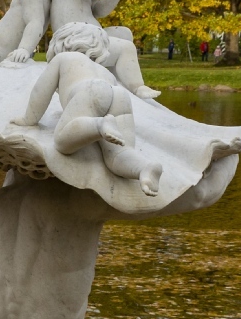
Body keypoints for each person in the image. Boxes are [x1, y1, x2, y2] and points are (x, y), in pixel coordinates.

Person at [12, 23, 163, 196]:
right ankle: (143, 168)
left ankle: (99, 125)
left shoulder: (63, 59)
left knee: (62, 142)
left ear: (60, 43)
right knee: (119, 153)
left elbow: (41, 92)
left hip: (90, 91)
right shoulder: (104, 71)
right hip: (119, 95)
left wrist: (29, 119)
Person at [47, 0, 157, 98]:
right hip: (73, 40)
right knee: (126, 48)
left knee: (124, 33)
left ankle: (117, 78)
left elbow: (99, 11)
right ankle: (137, 87)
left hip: (89, 38)